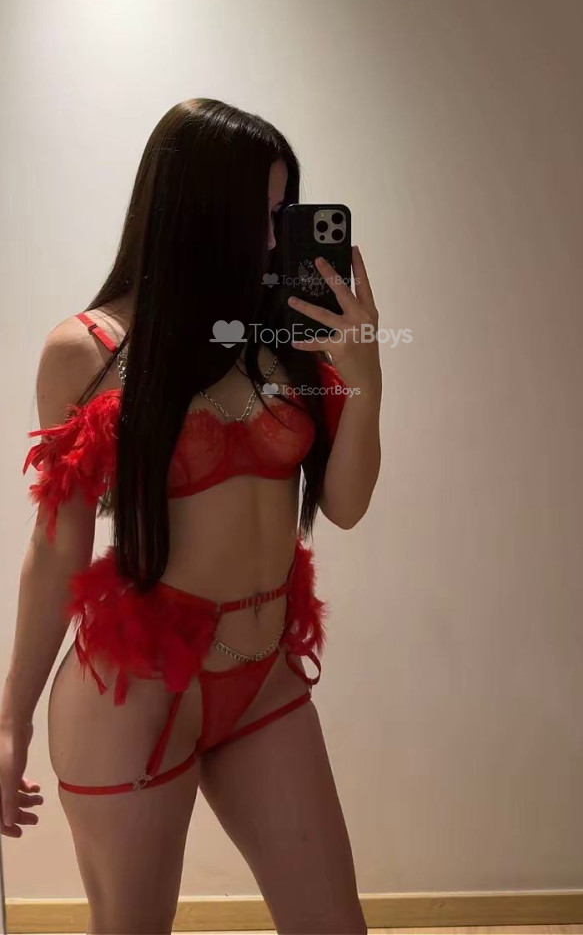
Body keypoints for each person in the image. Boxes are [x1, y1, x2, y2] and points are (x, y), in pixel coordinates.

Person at [0, 98, 382, 935]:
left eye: (286, 211)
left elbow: (345, 507)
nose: (277, 238)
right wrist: (8, 722)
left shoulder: (283, 335)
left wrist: (366, 380)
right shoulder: (89, 351)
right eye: (262, 213)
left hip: (262, 675)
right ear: (198, 210)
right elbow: (57, 550)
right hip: (131, 691)